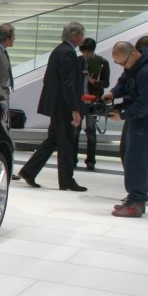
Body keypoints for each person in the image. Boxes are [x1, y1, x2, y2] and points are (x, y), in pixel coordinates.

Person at [18, 21, 87, 191]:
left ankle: (29, 171)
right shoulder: (67, 53)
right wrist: (75, 109)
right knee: (66, 142)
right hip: (63, 106)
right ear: (74, 36)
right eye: (81, 35)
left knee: (54, 140)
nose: (83, 38)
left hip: (58, 104)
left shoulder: (60, 51)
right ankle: (66, 180)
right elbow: (68, 84)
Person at [104, 41, 148, 217]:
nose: (122, 67)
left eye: (122, 63)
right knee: (131, 159)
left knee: (139, 161)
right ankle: (133, 198)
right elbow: (123, 83)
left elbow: (145, 103)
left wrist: (123, 115)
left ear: (132, 54)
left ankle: (137, 202)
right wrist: (113, 93)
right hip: (138, 121)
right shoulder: (134, 67)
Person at [78, 38, 110, 170]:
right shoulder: (78, 61)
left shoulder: (102, 62)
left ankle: (90, 161)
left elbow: (106, 83)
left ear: (93, 51)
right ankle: (72, 159)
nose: (86, 55)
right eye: (84, 52)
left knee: (91, 131)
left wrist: (94, 82)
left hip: (92, 101)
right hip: (79, 100)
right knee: (74, 130)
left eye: (88, 52)